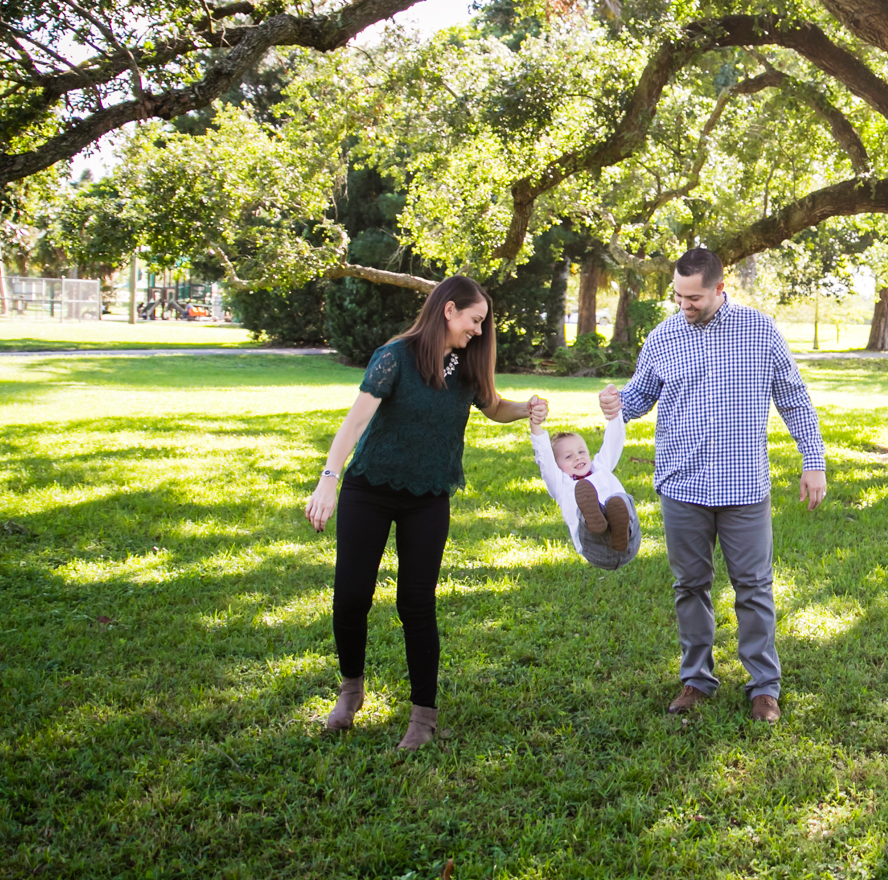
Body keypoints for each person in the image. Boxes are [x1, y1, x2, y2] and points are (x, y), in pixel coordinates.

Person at [303, 275, 542, 749]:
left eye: (483, 324)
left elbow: (492, 405)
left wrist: (527, 407)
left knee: (416, 603)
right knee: (351, 597)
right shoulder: (396, 356)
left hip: (429, 496)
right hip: (368, 488)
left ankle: (423, 717)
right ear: (449, 310)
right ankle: (351, 691)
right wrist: (328, 481)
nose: (478, 330)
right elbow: (355, 422)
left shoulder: (469, 364)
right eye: (475, 320)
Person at [600, 246, 827, 723]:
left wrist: (814, 461)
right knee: (690, 586)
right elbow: (641, 395)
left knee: (754, 588)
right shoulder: (664, 335)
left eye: (695, 297)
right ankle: (696, 680)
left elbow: (794, 398)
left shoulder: (759, 331)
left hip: (743, 486)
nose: (685, 304)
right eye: (679, 296)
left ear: (721, 288)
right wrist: (616, 401)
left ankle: (764, 687)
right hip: (682, 485)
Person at [527, 396, 641, 570]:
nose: (577, 457)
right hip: (595, 547)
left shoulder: (601, 467)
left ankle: (618, 525)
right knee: (586, 508)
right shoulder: (559, 483)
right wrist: (535, 423)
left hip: (629, 541)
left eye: (581, 451)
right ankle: (596, 521)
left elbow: (613, 441)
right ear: (557, 465)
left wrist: (615, 413)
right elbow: (544, 456)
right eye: (568, 456)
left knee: (620, 500)